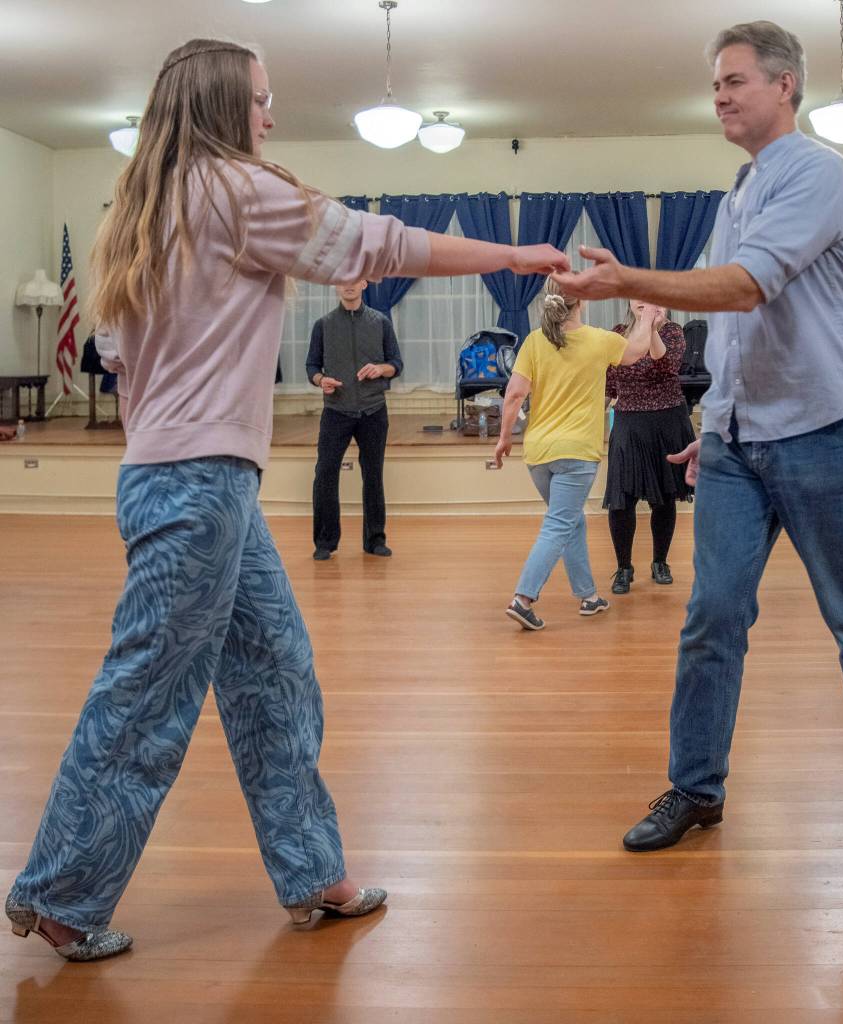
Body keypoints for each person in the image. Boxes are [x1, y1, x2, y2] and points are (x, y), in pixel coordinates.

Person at [4, 38, 568, 962]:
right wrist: (513, 252)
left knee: (275, 673)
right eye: (262, 100)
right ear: (227, 105)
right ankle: (63, 892)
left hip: (188, 479)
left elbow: (116, 355)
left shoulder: (147, 208)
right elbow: (380, 242)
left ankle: (311, 870)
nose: (271, 115)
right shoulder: (233, 189)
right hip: (196, 486)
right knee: (147, 696)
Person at [551, 21, 843, 850]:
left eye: (734, 81)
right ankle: (694, 788)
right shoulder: (737, 193)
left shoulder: (821, 175)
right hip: (734, 444)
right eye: (714, 83)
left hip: (824, 432)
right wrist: (713, 425)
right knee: (710, 617)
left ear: (784, 85)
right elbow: (733, 336)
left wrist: (622, 279)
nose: (718, 95)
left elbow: (745, 289)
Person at [495, 280, 655, 631]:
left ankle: (588, 596)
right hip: (577, 454)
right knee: (559, 524)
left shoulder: (535, 342)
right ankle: (523, 599)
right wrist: (646, 317)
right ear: (581, 301)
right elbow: (639, 350)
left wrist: (504, 438)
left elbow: (513, 395)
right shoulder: (600, 340)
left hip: (538, 454)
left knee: (570, 521)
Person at [604, 300, 695, 592]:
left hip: (668, 422)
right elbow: (609, 385)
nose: (644, 303)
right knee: (622, 501)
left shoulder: (673, 332)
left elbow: (664, 364)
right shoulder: (617, 334)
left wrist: (652, 329)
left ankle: (660, 562)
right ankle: (623, 567)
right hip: (629, 424)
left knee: (664, 497)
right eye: (638, 298)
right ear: (629, 303)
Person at [306, 279, 399, 561]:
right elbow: (312, 366)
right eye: (342, 280)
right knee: (324, 474)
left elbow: (396, 364)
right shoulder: (323, 325)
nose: (348, 286)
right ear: (335, 285)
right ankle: (325, 542)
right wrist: (322, 380)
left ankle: (375, 540)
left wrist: (380, 369)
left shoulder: (380, 322)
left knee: (373, 475)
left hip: (373, 411)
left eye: (353, 280)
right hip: (336, 411)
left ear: (363, 283)